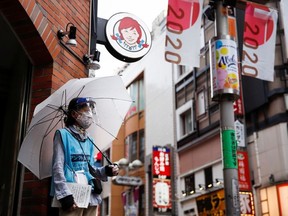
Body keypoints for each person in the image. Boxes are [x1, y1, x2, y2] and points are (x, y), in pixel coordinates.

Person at [50, 97, 119, 215]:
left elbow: (90, 169)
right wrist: (65, 195)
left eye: (90, 111)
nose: (90, 115)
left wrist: (106, 170)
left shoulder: (89, 139)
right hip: (72, 195)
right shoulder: (62, 135)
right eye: (86, 111)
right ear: (74, 114)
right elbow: (58, 167)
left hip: (89, 194)